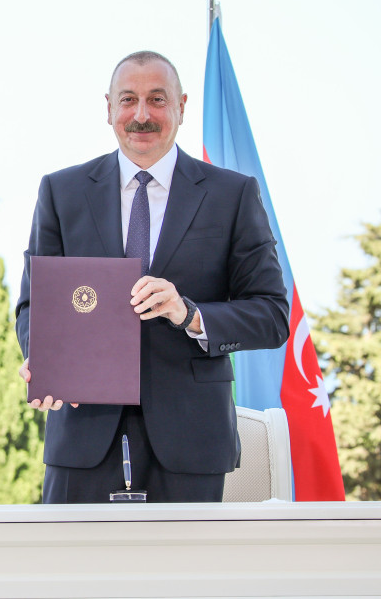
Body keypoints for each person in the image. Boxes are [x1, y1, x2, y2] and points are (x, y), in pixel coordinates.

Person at [15, 51, 289, 503]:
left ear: (182, 105)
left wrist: (190, 314)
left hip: (192, 442)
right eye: (129, 100)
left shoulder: (232, 195)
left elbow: (272, 315)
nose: (141, 115)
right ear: (108, 108)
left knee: (186, 575)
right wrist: (43, 359)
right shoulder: (61, 192)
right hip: (81, 436)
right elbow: (33, 306)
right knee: (71, 572)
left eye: (157, 100)